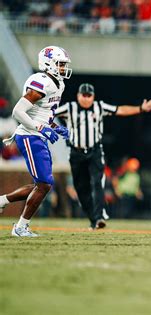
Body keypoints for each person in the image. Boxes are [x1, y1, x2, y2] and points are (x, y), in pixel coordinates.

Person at [54, 83, 151, 229]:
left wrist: (141, 108)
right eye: (83, 95)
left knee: (97, 182)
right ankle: (93, 218)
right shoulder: (69, 108)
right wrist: (50, 127)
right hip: (76, 152)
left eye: (89, 96)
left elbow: (120, 110)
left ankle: (99, 217)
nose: (86, 99)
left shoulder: (99, 107)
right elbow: (49, 115)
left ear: (93, 97)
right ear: (78, 96)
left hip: (94, 151)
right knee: (81, 188)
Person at [0, 46, 72, 237]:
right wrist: (41, 128)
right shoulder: (41, 82)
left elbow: (45, 113)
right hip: (30, 136)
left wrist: (55, 127)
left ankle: (3, 201)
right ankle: (20, 227)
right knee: (45, 184)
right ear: (49, 64)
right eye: (61, 64)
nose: (64, 68)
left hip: (38, 135)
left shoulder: (59, 84)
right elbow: (18, 112)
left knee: (42, 184)